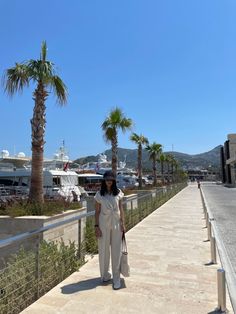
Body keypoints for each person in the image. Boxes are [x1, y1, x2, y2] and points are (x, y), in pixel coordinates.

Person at [94, 170, 125, 290]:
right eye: (107, 179)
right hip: (103, 225)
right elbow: (96, 212)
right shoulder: (99, 195)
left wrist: (123, 223)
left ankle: (116, 278)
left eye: (111, 179)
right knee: (103, 250)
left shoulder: (118, 193)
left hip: (116, 224)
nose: (109, 182)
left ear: (114, 181)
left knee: (116, 251)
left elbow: (121, 209)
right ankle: (105, 275)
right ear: (104, 180)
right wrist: (96, 227)